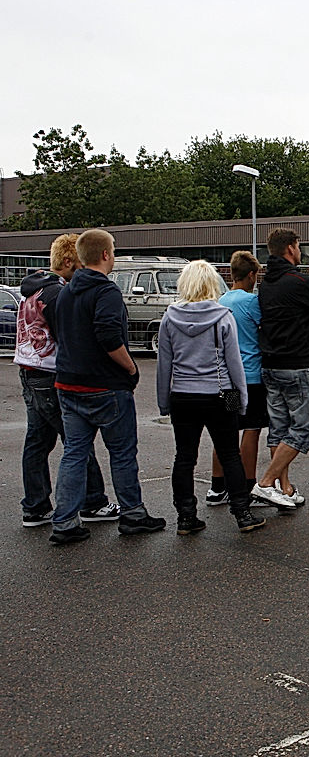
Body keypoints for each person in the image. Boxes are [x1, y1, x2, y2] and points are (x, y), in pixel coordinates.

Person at [50, 229, 165, 544]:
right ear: (104, 255)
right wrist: (130, 367)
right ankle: (133, 514)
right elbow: (109, 336)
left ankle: (64, 522)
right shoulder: (107, 293)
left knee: (74, 452)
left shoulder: (65, 292)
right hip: (106, 387)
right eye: (112, 251)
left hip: (69, 383)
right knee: (122, 453)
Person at [157, 260, 264, 534]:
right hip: (221, 391)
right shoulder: (223, 316)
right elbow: (234, 364)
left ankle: (185, 516)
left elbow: (164, 364)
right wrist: (241, 399)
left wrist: (163, 400)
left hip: (182, 394)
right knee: (230, 453)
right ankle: (242, 513)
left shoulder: (170, 317)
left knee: (184, 457)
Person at [15, 234, 114, 528]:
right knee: (77, 441)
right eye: (79, 263)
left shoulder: (32, 289)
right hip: (51, 371)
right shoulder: (58, 294)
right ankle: (93, 501)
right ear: (69, 261)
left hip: (29, 369)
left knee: (37, 441)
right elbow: (69, 334)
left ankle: (35, 505)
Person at [256, 228, 309, 508]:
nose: (300, 251)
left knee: (278, 427)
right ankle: (266, 482)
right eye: (299, 246)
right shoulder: (300, 281)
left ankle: (284, 487)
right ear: (290, 248)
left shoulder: (266, 283)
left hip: (270, 364)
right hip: (297, 364)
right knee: (303, 429)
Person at [210, 251, 270, 506]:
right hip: (251, 376)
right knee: (251, 428)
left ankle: (217, 485)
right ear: (251, 275)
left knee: (227, 429)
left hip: (227, 378)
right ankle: (247, 484)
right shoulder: (250, 302)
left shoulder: (221, 301)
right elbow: (265, 328)